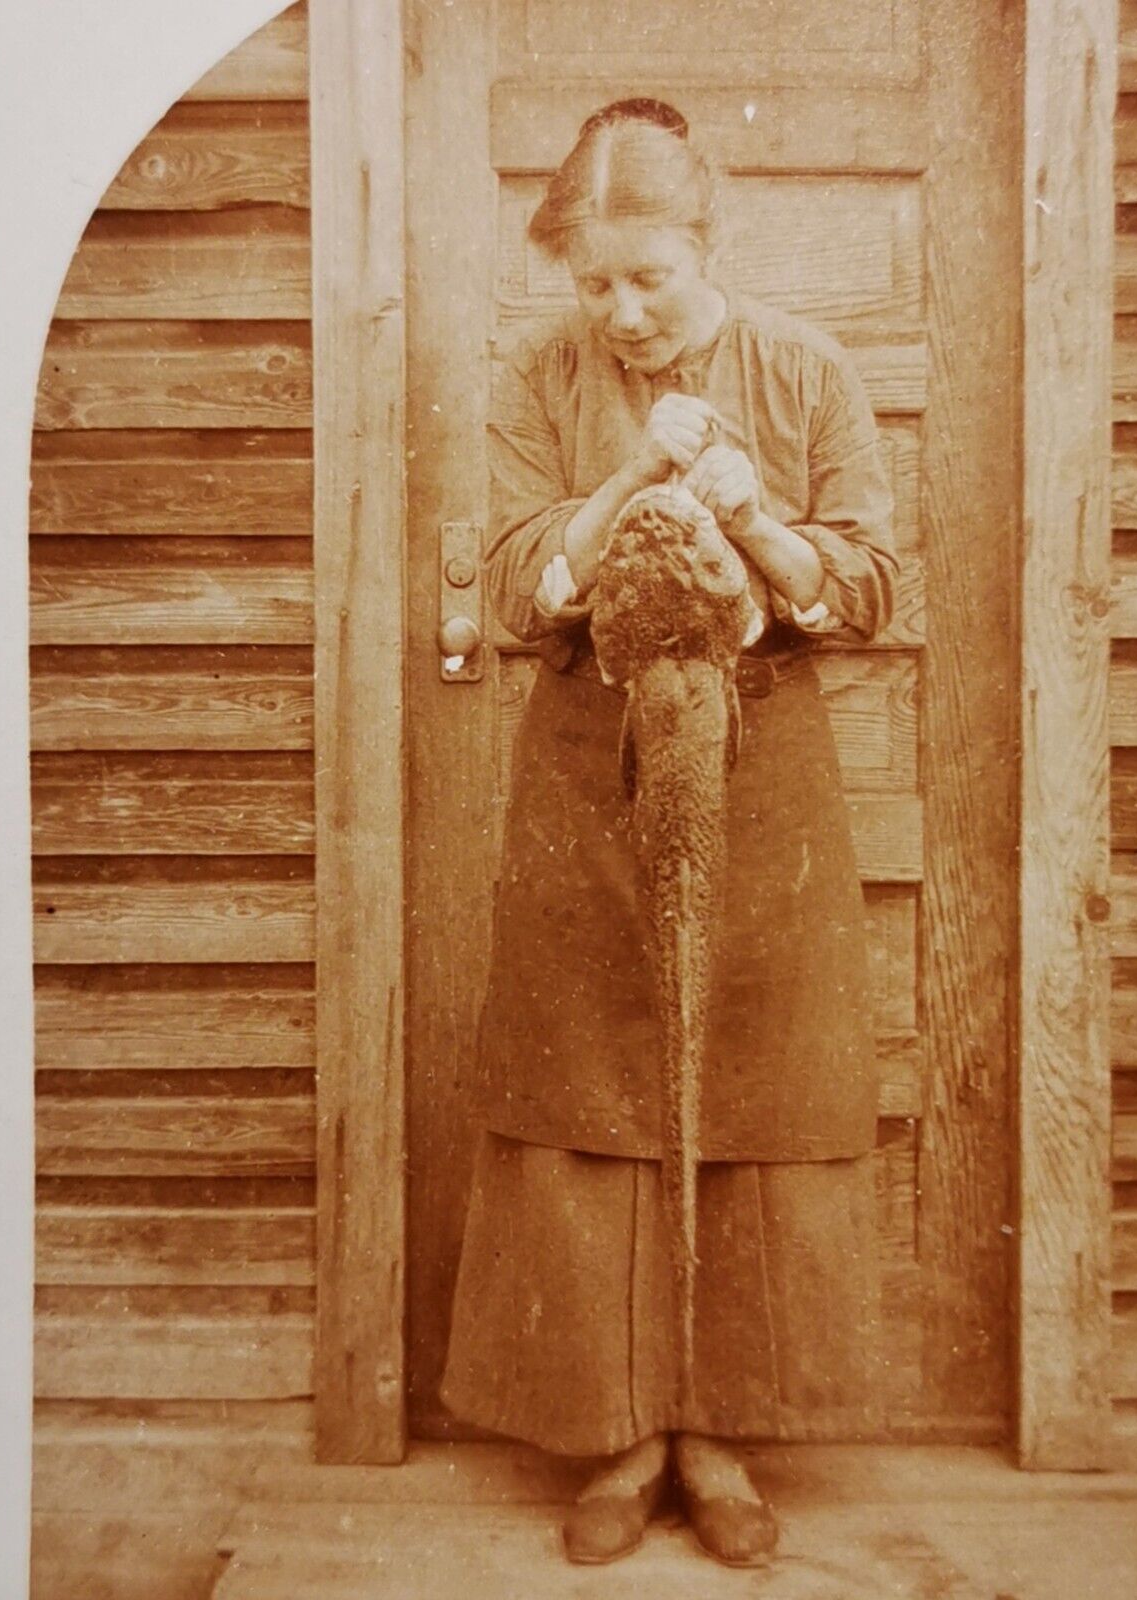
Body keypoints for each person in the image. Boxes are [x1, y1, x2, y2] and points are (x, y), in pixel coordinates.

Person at [438, 96, 900, 1568]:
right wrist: (632, 481)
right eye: (594, 282)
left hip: (765, 769)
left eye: (652, 276)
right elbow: (516, 587)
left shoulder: (805, 368)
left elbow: (874, 588)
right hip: (586, 758)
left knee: (759, 1072)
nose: (623, 310)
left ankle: (725, 1438)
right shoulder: (538, 376)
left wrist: (758, 518)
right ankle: (620, 1434)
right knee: (592, 1074)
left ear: (710, 242)